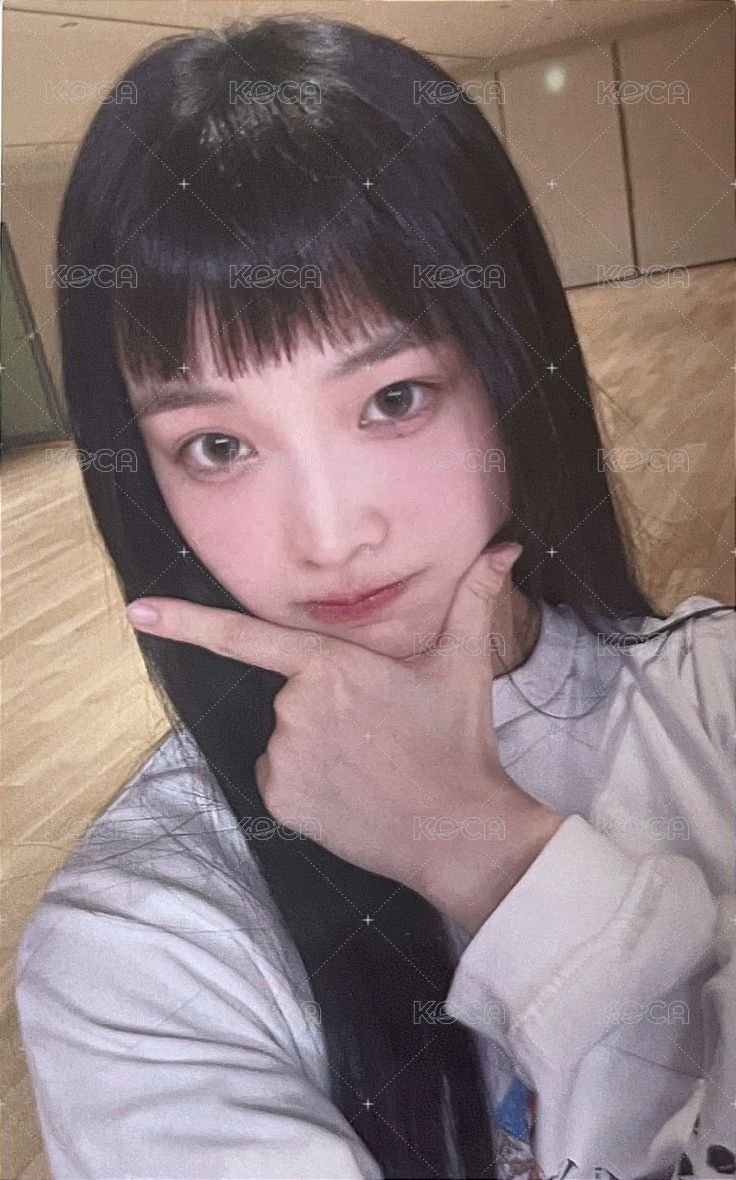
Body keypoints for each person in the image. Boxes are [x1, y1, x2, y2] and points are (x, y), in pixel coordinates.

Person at [14, 15, 735, 1180]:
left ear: (511, 369)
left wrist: (489, 856)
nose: (331, 535)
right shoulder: (139, 947)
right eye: (216, 446)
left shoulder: (718, 700)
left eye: (393, 399)